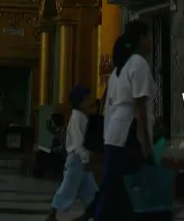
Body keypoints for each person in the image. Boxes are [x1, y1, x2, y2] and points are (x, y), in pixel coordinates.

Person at [94, 21, 155, 221]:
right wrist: (146, 145)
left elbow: (110, 108)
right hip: (128, 134)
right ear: (140, 39)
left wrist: (106, 138)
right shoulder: (138, 63)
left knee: (116, 190)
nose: (151, 41)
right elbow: (139, 108)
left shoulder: (118, 70)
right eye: (148, 36)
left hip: (114, 134)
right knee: (124, 190)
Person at [45, 86, 98, 221]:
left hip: (82, 159)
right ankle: (52, 214)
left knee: (90, 189)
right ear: (78, 103)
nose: (90, 102)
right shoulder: (77, 117)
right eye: (86, 100)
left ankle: (90, 214)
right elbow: (78, 141)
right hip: (77, 159)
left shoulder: (84, 117)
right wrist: (85, 159)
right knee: (67, 187)